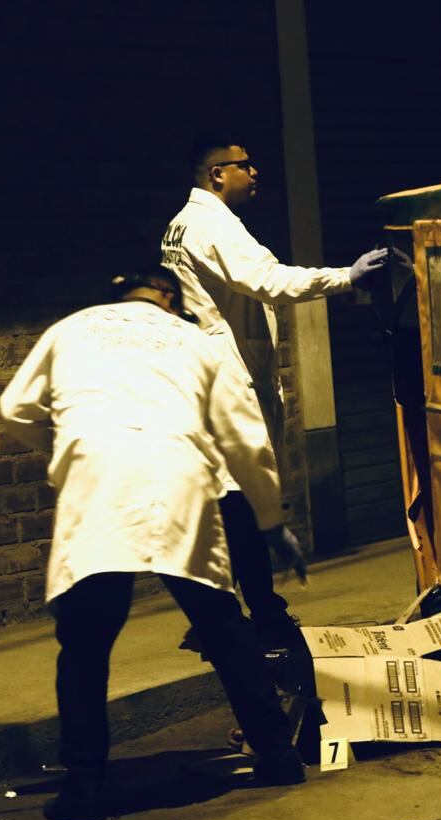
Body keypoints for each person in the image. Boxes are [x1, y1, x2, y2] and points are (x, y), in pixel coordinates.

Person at [0, 267, 309, 820]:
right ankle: (278, 755)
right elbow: (244, 436)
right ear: (171, 298)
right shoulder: (196, 340)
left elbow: (15, 409)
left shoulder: (71, 329)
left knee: (86, 646)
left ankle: (86, 785)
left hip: (97, 482)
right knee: (224, 627)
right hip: (179, 478)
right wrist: (269, 521)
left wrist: (66, 448)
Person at [160, 132, 388, 650]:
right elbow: (269, 281)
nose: (255, 172)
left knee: (223, 496)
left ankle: (236, 609)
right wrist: (346, 278)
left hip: (207, 376)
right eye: (245, 164)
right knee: (238, 496)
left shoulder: (179, 225)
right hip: (228, 379)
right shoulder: (211, 224)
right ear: (218, 174)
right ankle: (261, 613)